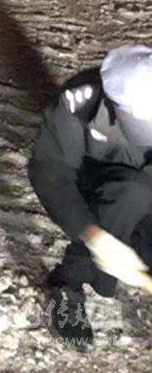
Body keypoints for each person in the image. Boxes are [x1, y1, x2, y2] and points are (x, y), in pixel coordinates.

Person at [29, 45, 152, 347]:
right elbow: (51, 175)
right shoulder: (78, 103)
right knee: (130, 192)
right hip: (101, 187)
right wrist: (94, 236)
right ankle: (67, 285)